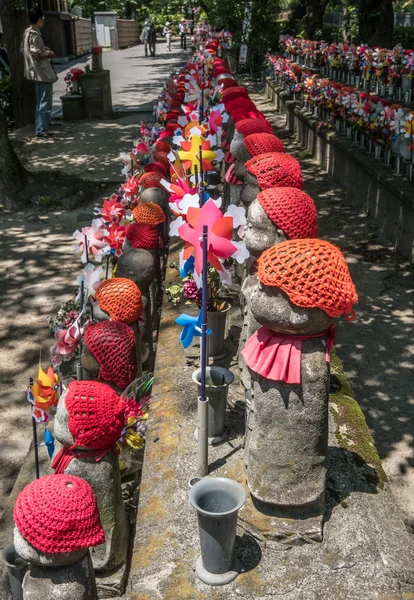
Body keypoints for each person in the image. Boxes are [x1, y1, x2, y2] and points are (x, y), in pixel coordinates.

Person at [22, 7, 57, 139]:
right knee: (45, 103)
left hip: (35, 73)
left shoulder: (27, 32)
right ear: (39, 19)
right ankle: (42, 130)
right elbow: (35, 53)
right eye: (42, 18)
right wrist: (49, 54)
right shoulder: (34, 34)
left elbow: (25, 49)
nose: (43, 21)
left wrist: (44, 49)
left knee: (39, 103)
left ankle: (40, 128)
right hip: (42, 73)